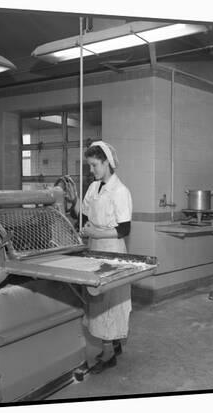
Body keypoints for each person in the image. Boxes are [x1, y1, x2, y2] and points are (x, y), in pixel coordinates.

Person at [64, 140, 133, 373]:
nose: (91, 171)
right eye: (90, 166)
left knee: (110, 301)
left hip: (112, 251)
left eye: (94, 165)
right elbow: (82, 214)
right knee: (98, 300)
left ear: (107, 163)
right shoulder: (94, 188)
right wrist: (72, 200)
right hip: (95, 249)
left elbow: (124, 229)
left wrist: (95, 231)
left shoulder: (121, 191)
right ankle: (113, 343)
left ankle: (108, 354)